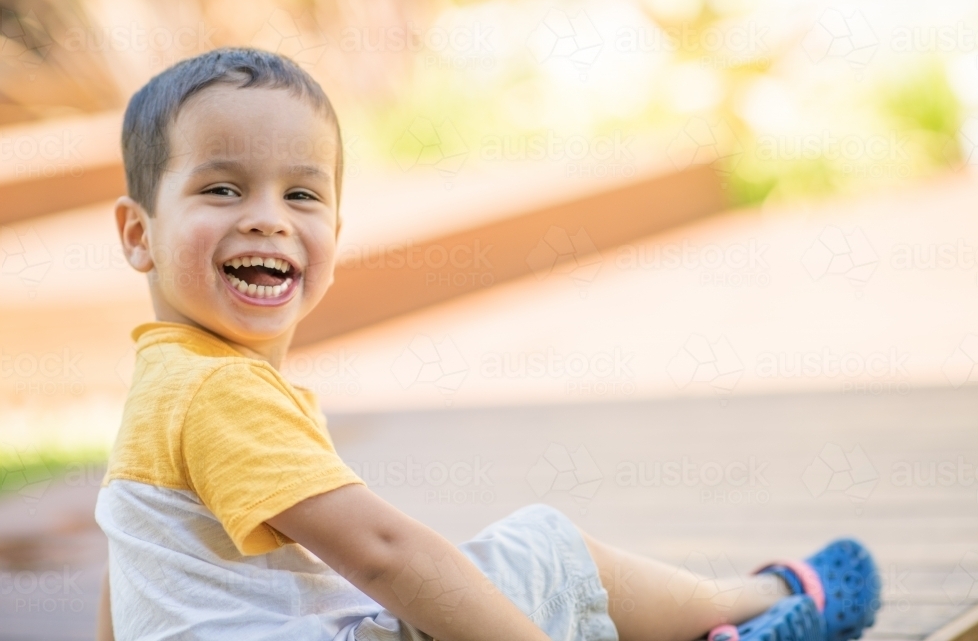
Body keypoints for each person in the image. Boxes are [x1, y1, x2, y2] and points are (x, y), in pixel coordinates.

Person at [94, 46, 881, 641]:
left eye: (301, 193)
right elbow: (383, 551)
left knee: (465, 580)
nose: (268, 216)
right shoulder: (218, 389)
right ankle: (749, 606)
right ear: (140, 233)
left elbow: (126, 577)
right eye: (222, 187)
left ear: (333, 231)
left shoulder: (164, 384)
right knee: (538, 548)